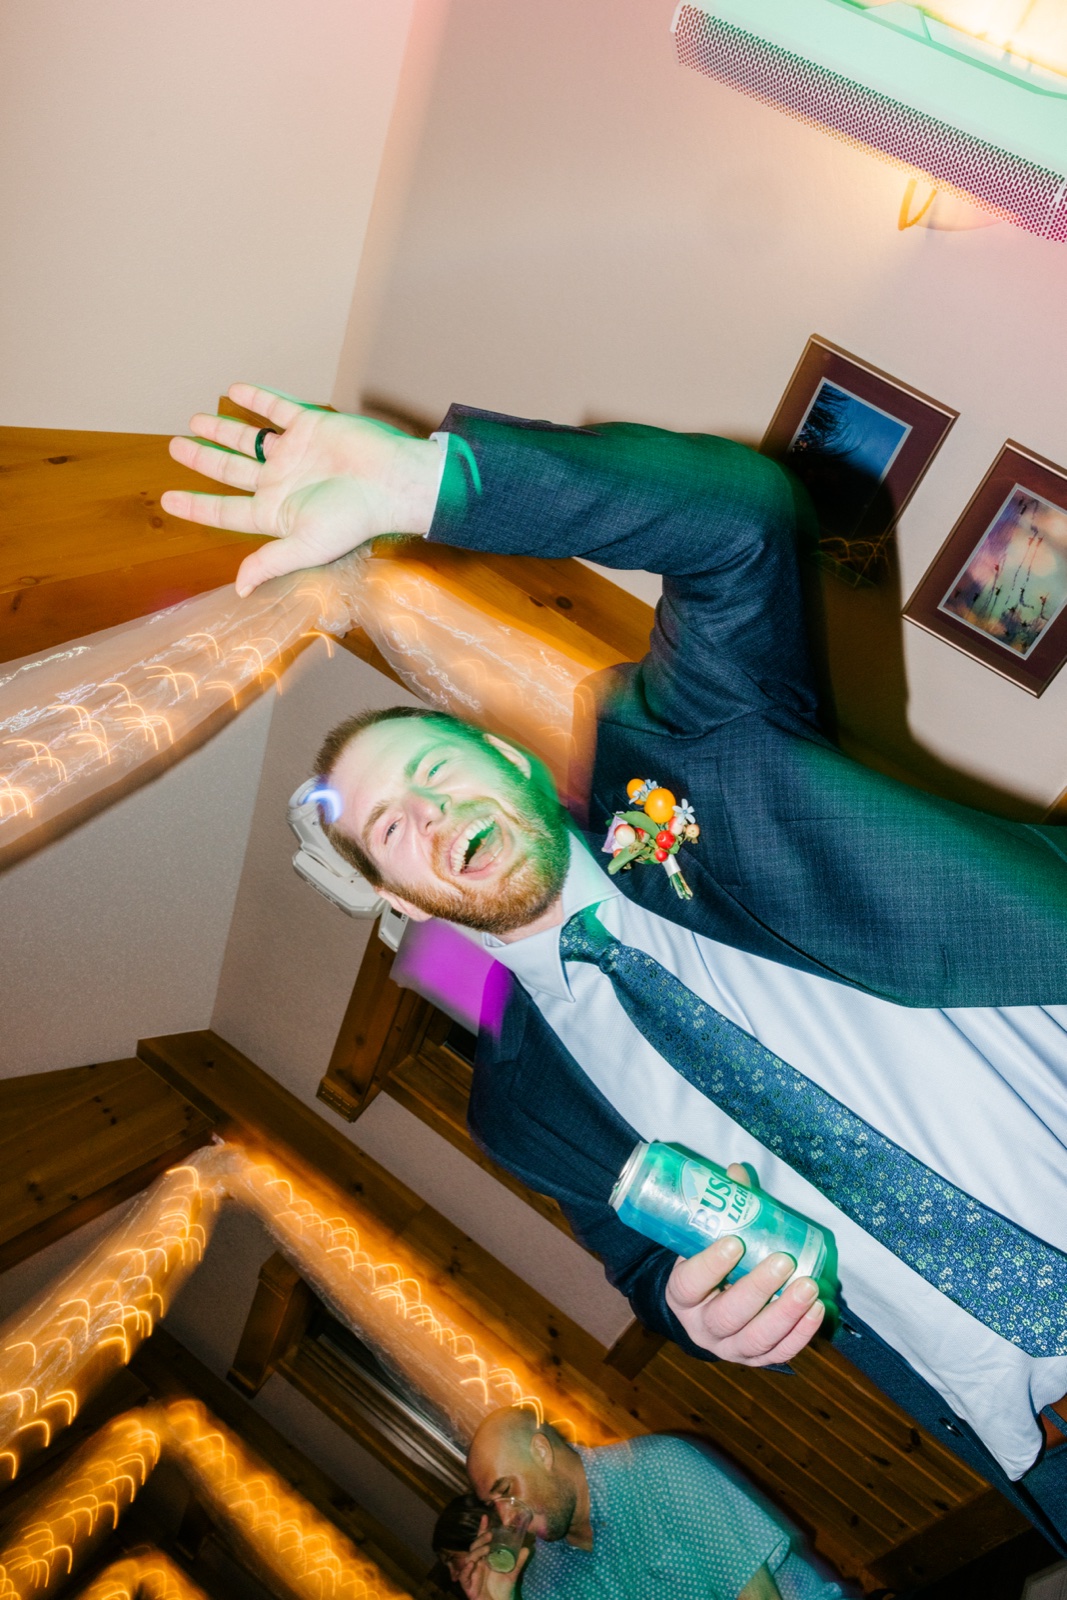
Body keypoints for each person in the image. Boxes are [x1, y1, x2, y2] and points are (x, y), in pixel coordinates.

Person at [164, 386, 1067, 1546]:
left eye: (436, 767)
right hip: (1034, 1442)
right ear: (394, 894)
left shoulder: (691, 761)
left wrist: (429, 483)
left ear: (506, 757)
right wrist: (700, 1316)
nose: (432, 813)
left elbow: (738, 520)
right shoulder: (520, 1110)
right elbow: (647, 1270)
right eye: (390, 825)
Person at [457, 1406, 842, 1599]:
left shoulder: (656, 1469)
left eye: (507, 1490)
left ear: (541, 1452)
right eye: (494, 1504)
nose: (507, 1514)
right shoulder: (544, 1582)